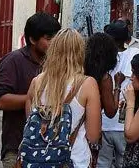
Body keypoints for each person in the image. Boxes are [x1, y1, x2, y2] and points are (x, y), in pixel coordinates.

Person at [24, 28, 101, 168]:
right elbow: (93, 136)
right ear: (80, 53)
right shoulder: (87, 84)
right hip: (75, 160)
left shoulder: (37, 82)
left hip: (38, 160)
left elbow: (31, 123)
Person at [0, 13, 61, 168]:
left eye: (56, 38)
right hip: (18, 147)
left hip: (51, 149)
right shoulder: (13, 61)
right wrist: (36, 99)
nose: (54, 43)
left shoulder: (56, 63)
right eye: (49, 38)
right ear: (32, 39)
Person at [98, 21, 139, 168]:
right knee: (122, 162)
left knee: (104, 163)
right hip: (121, 124)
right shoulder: (133, 54)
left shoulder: (104, 58)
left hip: (108, 123)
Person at [84, 33, 121, 166]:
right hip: (93, 130)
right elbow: (111, 111)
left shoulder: (81, 72)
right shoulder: (104, 78)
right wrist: (117, 86)